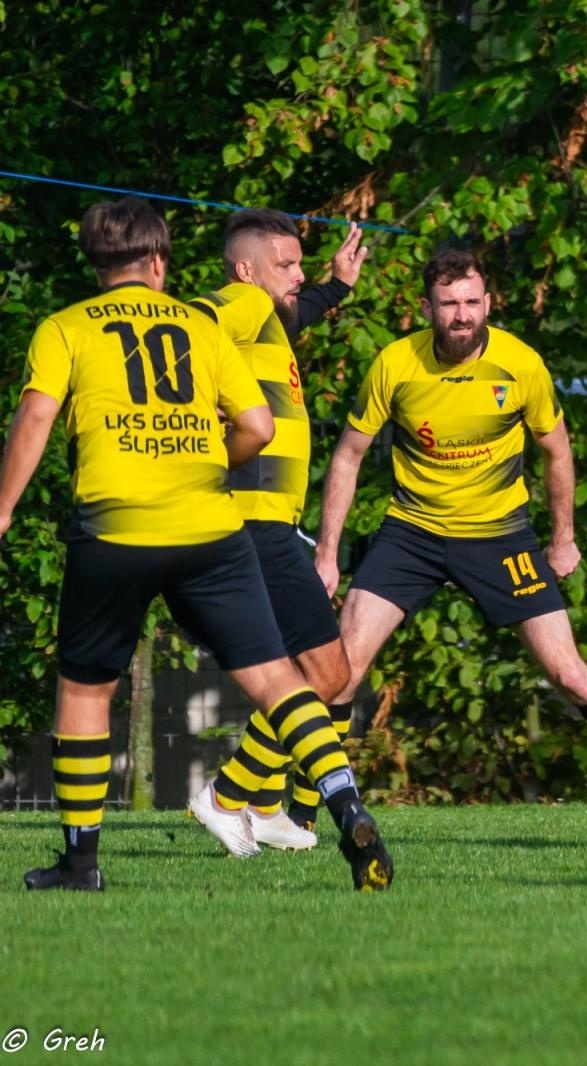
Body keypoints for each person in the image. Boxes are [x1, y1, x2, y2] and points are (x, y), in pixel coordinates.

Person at [0, 197, 391, 892]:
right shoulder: (198, 323)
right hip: (213, 528)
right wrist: (209, 464)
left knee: (86, 689)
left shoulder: (65, 327)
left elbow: (35, 414)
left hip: (117, 525)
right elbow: (256, 426)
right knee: (280, 681)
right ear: (158, 261)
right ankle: (347, 808)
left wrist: (3, 508)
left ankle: (81, 864)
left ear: (95, 263)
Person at [313, 248, 587, 834]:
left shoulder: (520, 364)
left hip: (500, 535)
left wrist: (564, 539)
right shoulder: (395, 363)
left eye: (470, 302)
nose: (461, 314)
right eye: (448, 304)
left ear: (488, 303)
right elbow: (348, 456)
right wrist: (327, 555)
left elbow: (557, 452)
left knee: (570, 674)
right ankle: (302, 816)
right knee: (339, 673)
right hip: (412, 532)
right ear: (427, 308)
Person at [186, 209, 367, 855]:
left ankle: (260, 806)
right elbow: (190, 325)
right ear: (245, 270)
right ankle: (228, 796)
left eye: (300, 264)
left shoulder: (267, 317)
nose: (298, 275)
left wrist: (337, 287)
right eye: (285, 265)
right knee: (327, 675)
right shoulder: (239, 302)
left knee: (308, 675)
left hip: (270, 524)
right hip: (251, 520)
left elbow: (295, 312)